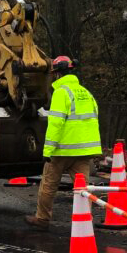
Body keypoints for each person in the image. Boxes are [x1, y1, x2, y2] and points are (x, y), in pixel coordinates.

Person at [26, 55, 102, 230]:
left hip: (62, 150)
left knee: (48, 185)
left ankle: (42, 219)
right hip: (84, 150)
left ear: (57, 74)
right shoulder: (85, 92)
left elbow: (56, 124)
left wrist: (48, 151)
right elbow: (94, 116)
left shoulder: (61, 92)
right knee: (83, 189)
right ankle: (84, 221)